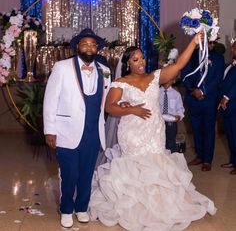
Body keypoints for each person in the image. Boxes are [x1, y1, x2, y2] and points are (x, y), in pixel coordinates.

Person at [88, 33, 216, 231]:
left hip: (155, 130)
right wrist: (132, 109)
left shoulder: (155, 76)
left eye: (142, 58)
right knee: (137, 165)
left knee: (156, 162)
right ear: (128, 63)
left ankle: (159, 206)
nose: (141, 62)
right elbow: (110, 107)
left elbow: (179, 65)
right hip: (132, 132)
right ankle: (135, 207)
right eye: (135, 59)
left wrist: (193, 42)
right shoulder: (120, 82)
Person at [43, 28, 111, 228]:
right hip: (66, 131)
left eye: (93, 44)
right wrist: (50, 130)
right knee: (69, 174)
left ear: (97, 48)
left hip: (93, 131)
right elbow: (50, 99)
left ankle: (82, 208)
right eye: (85, 44)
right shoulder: (62, 67)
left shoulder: (104, 70)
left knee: (87, 174)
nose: (89, 47)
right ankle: (66, 209)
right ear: (77, 47)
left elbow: (107, 100)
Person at [180, 40, 224, 171]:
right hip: (193, 99)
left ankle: (207, 159)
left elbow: (218, 78)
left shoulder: (218, 58)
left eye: (212, 43)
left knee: (208, 130)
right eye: (208, 43)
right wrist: (192, 90)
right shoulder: (191, 54)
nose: (211, 46)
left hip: (209, 100)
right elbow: (184, 74)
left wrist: (203, 91)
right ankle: (199, 155)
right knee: (196, 129)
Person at [218, 40, 236, 175]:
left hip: (233, 105)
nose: (232, 51)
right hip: (227, 108)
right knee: (230, 135)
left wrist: (226, 97)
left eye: (235, 48)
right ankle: (233, 160)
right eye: (232, 48)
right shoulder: (230, 65)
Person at [160, 80, 185, 153]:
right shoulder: (156, 93)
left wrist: (179, 116)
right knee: (160, 141)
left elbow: (180, 108)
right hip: (159, 121)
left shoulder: (176, 94)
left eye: (170, 79)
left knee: (171, 142)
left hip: (171, 122)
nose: (167, 81)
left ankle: (171, 159)